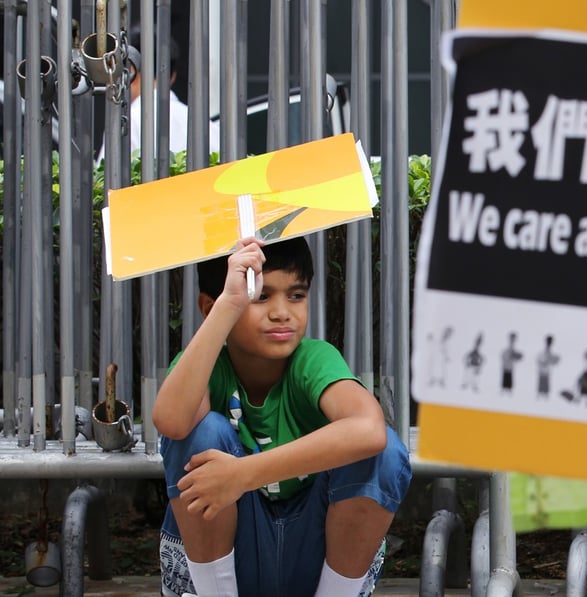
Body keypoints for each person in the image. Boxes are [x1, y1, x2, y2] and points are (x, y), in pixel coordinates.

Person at [152, 236, 411, 597]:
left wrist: (241, 475)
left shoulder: (313, 359)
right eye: (260, 297)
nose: (282, 312)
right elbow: (172, 423)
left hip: (316, 557)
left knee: (383, 454)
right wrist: (228, 306)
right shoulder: (208, 367)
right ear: (210, 307)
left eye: (296, 295)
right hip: (223, 562)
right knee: (200, 432)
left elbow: (369, 431)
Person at [96, 28, 221, 164]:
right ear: (172, 76)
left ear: (130, 70)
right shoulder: (208, 126)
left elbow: (107, 178)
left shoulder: (128, 123)